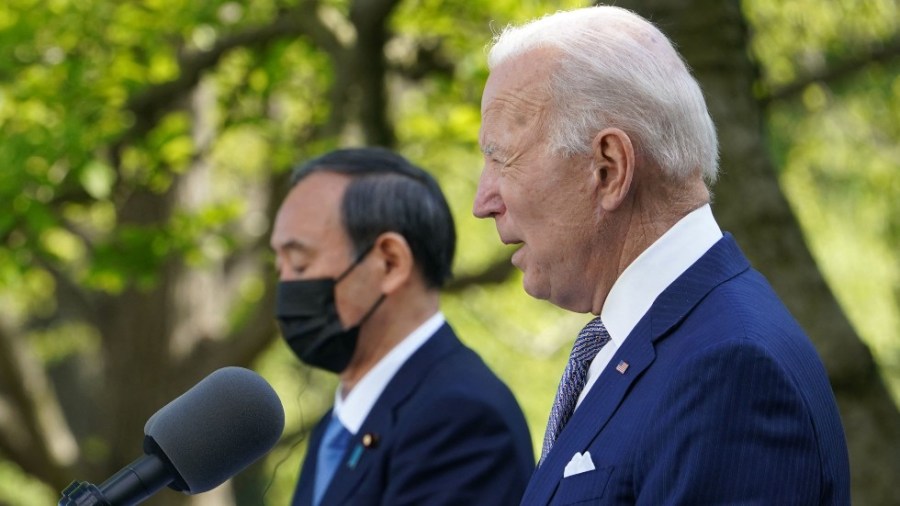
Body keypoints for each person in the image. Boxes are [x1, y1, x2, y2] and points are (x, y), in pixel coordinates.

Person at [473, 6, 850, 505]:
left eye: (502, 159)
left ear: (608, 169)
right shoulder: (670, 340)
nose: (483, 201)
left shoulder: (729, 370)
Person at [271, 147, 534, 506]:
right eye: (279, 268)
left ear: (390, 263)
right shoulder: (337, 428)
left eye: (300, 264)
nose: (285, 286)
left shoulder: (460, 419)